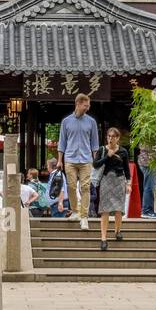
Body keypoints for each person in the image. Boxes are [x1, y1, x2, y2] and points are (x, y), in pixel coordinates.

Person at [59, 93, 99, 231]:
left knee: (86, 187)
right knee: (71, 186)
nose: (87, 108)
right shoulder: (66, 121)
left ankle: (84, 217)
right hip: (69, 158)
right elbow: (62, 142)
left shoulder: (91, 122)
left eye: (88, 106)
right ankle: (75, 211)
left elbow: (95, 143)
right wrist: (59, 160)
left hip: (86, 159)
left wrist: (96, 160)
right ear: (78, 104)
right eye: (85, 105)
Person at [94, 128, 132, 250]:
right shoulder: (102, 150)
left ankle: (117, 231)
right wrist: (107, 156)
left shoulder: (123, 151)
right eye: (109, 136)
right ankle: (103, 238)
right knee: (104, 210)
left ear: (118, 138)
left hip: (119, 180)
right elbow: (95, 164)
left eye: (113, 137)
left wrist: (128, 184)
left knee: (118, 209)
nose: (111, 139)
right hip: (106, 180)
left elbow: (127, 169)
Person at [137, 141, 156, 218]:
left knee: (150, 186)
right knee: (149, 187)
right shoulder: (150, 132)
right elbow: (149, 149)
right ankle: (147, 211)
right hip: (149, 163)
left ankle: (148, 210)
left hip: (150, 162)